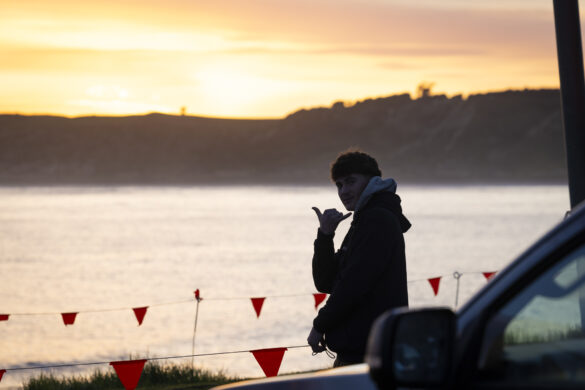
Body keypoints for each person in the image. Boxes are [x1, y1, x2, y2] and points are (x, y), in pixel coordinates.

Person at [307, 150, 411, 367]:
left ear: (372, 181)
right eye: (339, 185)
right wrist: (325, 236)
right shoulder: (362, 220)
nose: (343, 191)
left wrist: (320, 325)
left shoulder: (377, 219)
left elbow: (354, 283)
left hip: (369, 353)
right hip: (358, 349)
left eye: (350, 182)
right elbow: (326, 282)